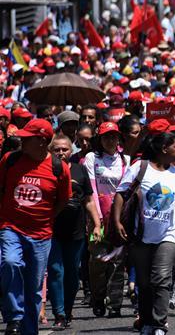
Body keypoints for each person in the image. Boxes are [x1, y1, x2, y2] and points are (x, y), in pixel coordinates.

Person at [0, 118, 72, 335]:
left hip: (41, 235)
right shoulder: (9, 160)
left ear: (42, 141)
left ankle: (28, 331)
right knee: (10, 262)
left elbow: (63, 199)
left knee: (33, 290)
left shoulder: (59, 168)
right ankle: (14, 316)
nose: (22, 141)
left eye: (27, 138)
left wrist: (48, 217)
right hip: (11, 227)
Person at [112, 131, 175, 335]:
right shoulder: (141, 167)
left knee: (162, 278)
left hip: (168, 235)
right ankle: (146, 321)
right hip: (140, 236)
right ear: (164, 149)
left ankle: (159, 324)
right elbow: (121, 193)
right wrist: (117, 221)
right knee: (144, 283)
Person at [47, 134, 101, 331]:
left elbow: (88, 199)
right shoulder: (46, 169)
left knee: (71, 274)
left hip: (76, 230)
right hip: (51, 229)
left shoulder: (79, 170)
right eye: (57, 149)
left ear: (71, 151)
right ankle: (59, 313)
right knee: (55, 271)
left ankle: (67, 310)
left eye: (65, 149)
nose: (61, 153)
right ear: (50, 151)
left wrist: (96, 224)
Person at [83, 121, 129, 318]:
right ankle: (98, 297)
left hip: (119, 217)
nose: (111, 140)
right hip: (97, 216)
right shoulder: (91, 158)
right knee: (98, 261)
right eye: (106, 137)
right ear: (99, 139)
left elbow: (127, 190)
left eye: (113, 136)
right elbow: (91, 189)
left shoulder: (126, 159)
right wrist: (97, 220)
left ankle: (115, 304)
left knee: (118, 262)